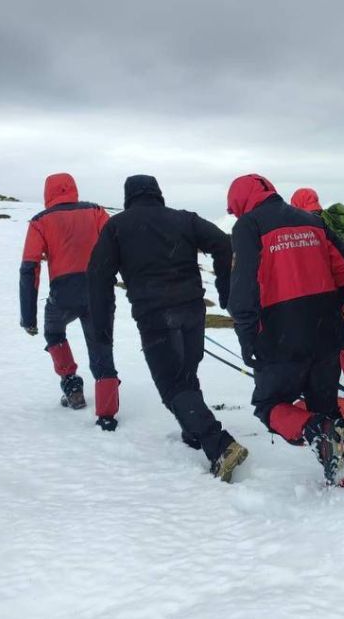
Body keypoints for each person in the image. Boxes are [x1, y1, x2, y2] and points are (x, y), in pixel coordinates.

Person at [87, 175, 248, 482]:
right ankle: (193, 431)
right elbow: (223, 244)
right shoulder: (183, 219)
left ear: (128, 196)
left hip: (154, 315)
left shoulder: (117, 227)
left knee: (172, 385)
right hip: (192, 310)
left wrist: (102, 330)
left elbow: (98, 280)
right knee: (185, 374)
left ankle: (220, 445)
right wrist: (225, 291)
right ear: (157, 193)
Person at [227, 175, 344, 490]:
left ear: (240, 202)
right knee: (326, 406)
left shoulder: (249, 226)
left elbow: (243, 289)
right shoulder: (312, 221)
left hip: (279, 334)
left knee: (268, 404)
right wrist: (334, 304)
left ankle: (317, 431)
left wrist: (246, 336)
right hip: (326, 332)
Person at [19, 172, 117, 411]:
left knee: (54, 332)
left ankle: (72, 385)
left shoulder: (40, 221)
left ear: (47, 193)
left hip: (63, 295)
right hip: (98, 291)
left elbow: (30, 268)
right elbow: (117, 244)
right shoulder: (96, 212)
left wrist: (28, 317)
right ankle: (107, 415)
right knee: (101, 347)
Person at [290, 187, 344, 387]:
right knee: (341, 335)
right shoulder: (326, 224)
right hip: (335, 292)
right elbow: (341, 263)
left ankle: (313, 379)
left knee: (309, 336)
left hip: (310, 293)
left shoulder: (298, 229)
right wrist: (343, 292)